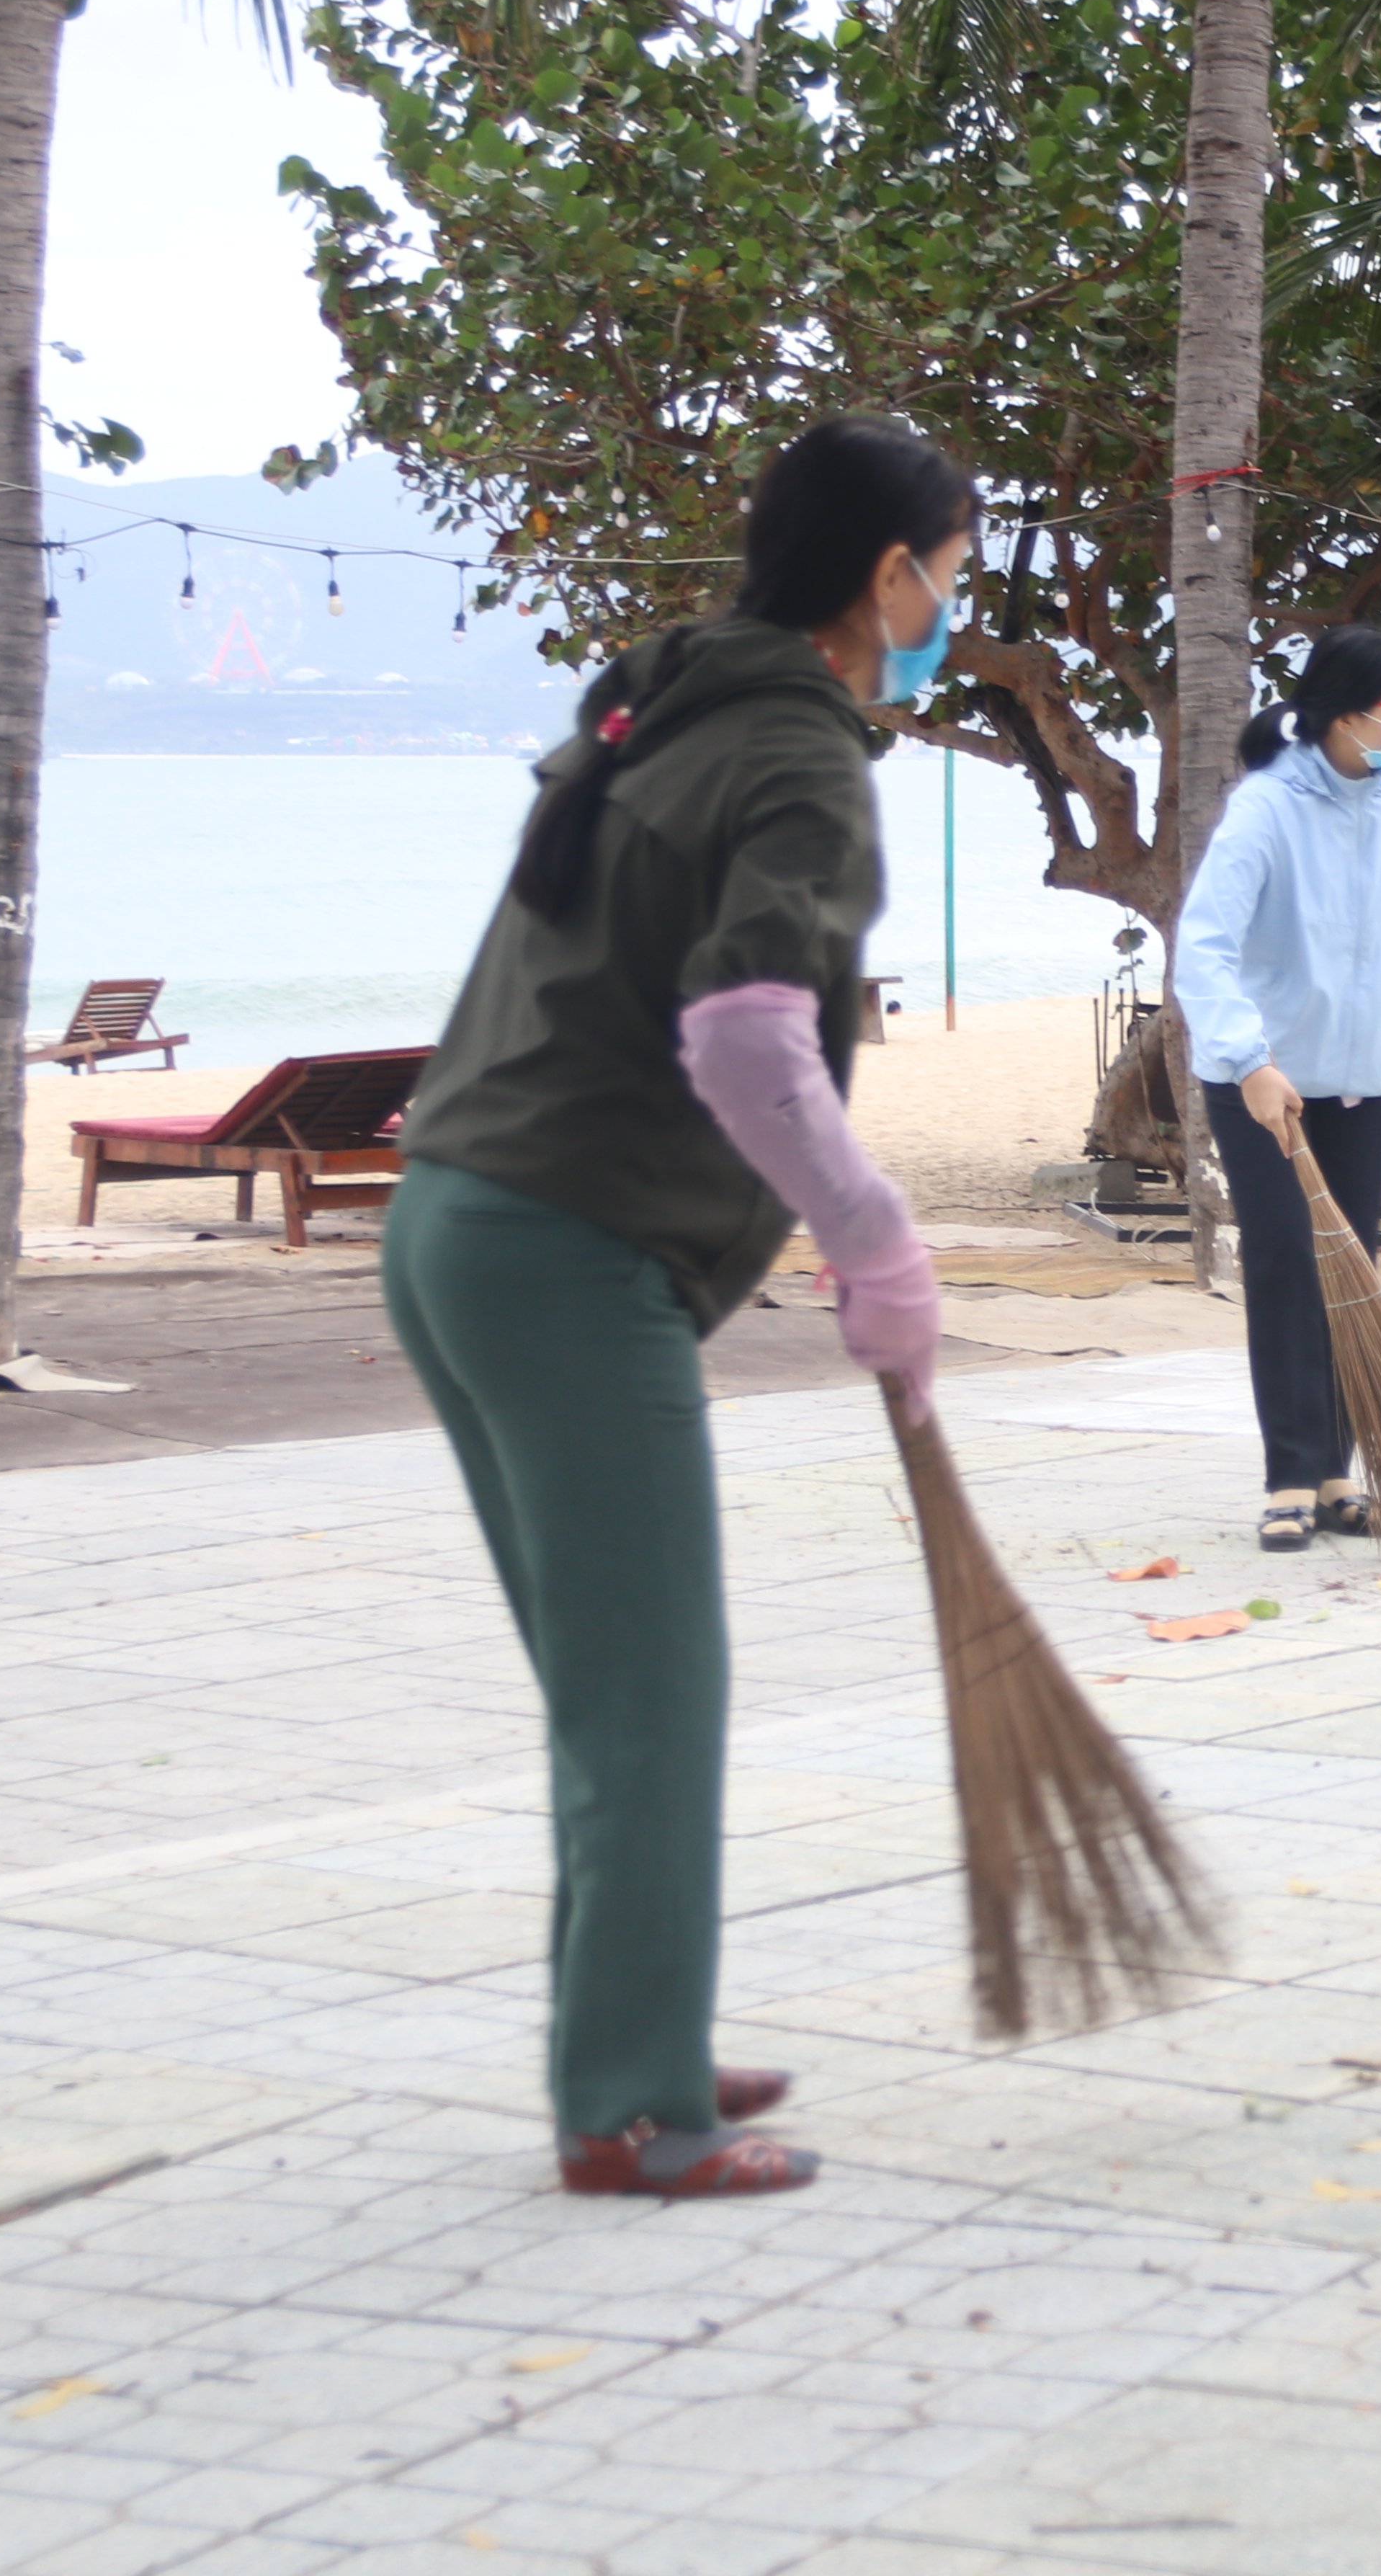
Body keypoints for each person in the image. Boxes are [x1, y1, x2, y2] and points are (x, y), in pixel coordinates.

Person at [386, 414, 967, 2198]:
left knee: (610, 1691)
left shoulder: (658, 703)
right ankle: (631, 2109)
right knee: (650, 1700)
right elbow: (741, 1036)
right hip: (565, 1255)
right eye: (951, 565)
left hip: (456, 1223)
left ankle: (633, 2025)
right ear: (886, 576)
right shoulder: (799, 748)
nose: (956, 598)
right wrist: (874, 1240)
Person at [1176, 624, 1381, 1551]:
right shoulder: (1266, 807)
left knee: (1351, 1273)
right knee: (1283, 1265)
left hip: (1360, 1080)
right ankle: (1288, 1474)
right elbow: (1204, 948)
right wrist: (1250, 1059)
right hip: (1264, 1080)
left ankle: (1340, 1465)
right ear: (1345, 716)